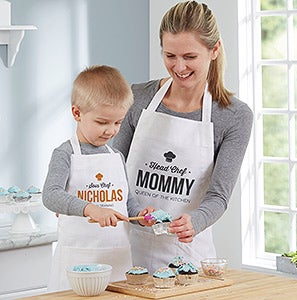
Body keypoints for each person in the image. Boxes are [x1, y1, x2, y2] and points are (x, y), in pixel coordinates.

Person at [112, 1, 253, 273]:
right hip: (126, 248)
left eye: (189, 57)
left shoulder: (234, 116)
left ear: (214, 50)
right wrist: (134, 212)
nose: (179, 67)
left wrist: (195, 221)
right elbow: (113, 168)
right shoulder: (138, 98)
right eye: (170, 56)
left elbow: (219, 196)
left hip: (186, 253)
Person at [42, 65, 154, 291]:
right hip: (77, 261)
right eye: (102, 122)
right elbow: (50, 196)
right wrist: (91, 209)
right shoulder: (65, 154)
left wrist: (140, 215)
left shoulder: (116, 157)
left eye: (117, 123)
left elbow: (127, 202)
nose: (111, 131)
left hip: (117, 261)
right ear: (77, 113)